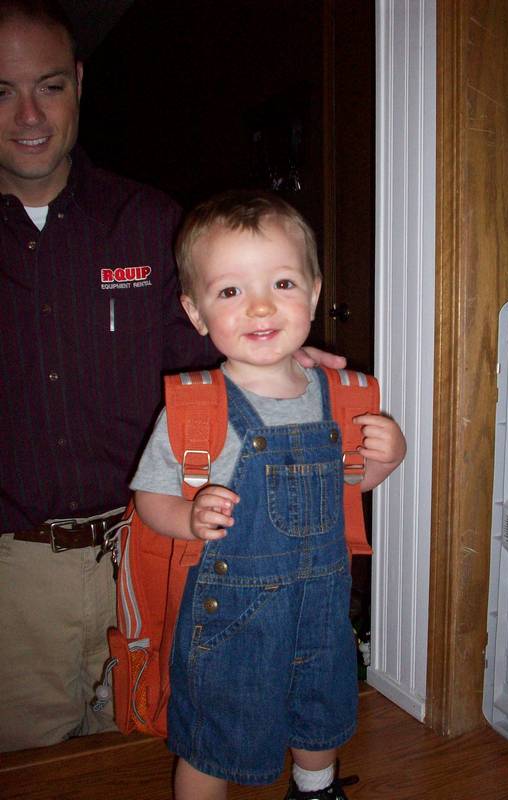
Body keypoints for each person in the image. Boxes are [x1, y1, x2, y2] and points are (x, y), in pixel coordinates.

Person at [0, 0, 342, 753]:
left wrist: (281, 358)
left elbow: (215, 356)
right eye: (2, 91)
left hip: (156, 547)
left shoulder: (153, 222)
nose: (28, 114)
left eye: (49, 86)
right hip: (16, 577)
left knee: (155, 736)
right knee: (34, 768)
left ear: (78, 82)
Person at [131, 191, 406, 800]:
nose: (260, 305)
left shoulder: (342, 397)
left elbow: (348, 488)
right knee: (213, 737)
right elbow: (150, 497)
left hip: (323, 607)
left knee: (321, 711)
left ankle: (316, 788)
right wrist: (188, 516)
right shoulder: (197, 406)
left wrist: (386, 460)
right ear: (196, 312)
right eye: (230, 290)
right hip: (231, 617)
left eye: (282, 283)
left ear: (313, 292)